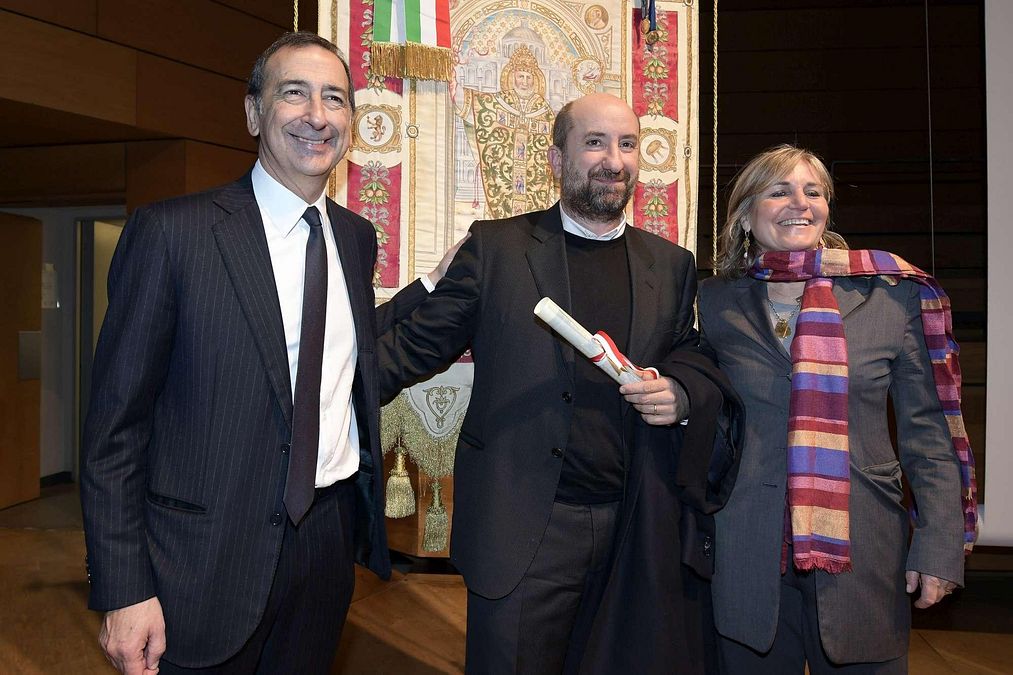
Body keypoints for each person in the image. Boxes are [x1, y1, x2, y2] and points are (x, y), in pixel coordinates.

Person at [80, 32, 448, 673]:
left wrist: (433, 287)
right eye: (294, 93)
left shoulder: (356, 240)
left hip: (326, 550)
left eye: (335, 98)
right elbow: (116, 428)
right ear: (254, 112)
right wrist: (123, 587)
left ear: (351, 126)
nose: (316, 115)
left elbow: (338, 353)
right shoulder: (174, 233)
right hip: (201, 560)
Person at [378, 92, 741, 674]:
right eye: (594, 142)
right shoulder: (498, 249)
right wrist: (316, 389)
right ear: (556, 158)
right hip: (526, 531)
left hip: (635, 530)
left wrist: (678, 394)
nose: (613, 160)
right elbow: (409, 350)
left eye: (626, 144)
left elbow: (690, 355)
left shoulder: (670, 264)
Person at [698, 144, 977, 674]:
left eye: (813, 191)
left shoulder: (889, 297)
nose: (799, 203)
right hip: (748, 549)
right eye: (779, 190)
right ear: (745, 214)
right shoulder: (713, 301)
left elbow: (927, 434)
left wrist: (939, 546)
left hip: (864, 548)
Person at [456, 45, 555, 218]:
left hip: (535, 185)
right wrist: (456, 89)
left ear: (535, 80)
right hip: (504, 185)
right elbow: (478, 106)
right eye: (520, 76)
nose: (524, 82)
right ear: (512, 77)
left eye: (528, 77)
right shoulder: (501, 101)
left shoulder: (544, 110)